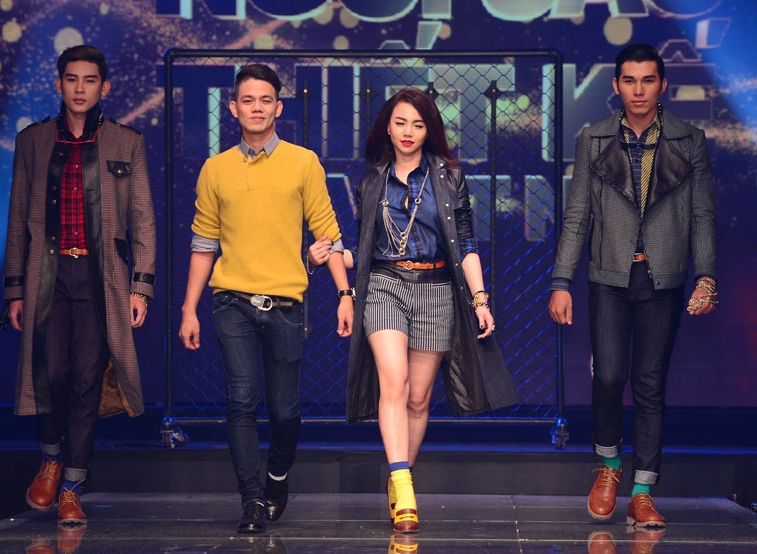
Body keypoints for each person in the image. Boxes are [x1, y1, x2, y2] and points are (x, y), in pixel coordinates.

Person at [310, 88, 518, 533]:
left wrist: (480, 300)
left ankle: (398, 473)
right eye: (401, 122)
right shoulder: (371, 182)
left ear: (429, 131)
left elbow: (466, 244)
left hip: (436, 288)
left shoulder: (449, 177)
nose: (408, 132)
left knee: (419, 398)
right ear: (388, 127)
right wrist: (329, 256)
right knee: (394, 381)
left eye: (418, 125)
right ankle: (404, 486)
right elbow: (366, 249)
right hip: (384, 285)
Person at [177, 63, 353, 534]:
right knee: (240, 400)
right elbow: (203, 244)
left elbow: (328, 232)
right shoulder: (215, 169)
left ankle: (276, 476)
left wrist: (344, 293)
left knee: (284, 411)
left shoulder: (303, 162)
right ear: (233, 108)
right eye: (248, 100)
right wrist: (189, 308)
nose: (257, 108)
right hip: (231, 301)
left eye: (265, 100)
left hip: (286, 306)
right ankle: (251, 500)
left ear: (278, 107)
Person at [549, 42, 717, 528]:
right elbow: (577, 215)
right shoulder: (594, 138)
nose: (638, 90)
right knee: (608, 376)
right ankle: (608, 465)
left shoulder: (689, 140)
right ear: (616, 85)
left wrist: (706, 276)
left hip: (662, 277)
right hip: (609, 275)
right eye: (629, 80)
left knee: (649, 384)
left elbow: (702, 215)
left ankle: (642, 491)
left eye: (647, 80)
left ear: (662, 84)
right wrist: (561, 280)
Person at [3, 45, 156, 526]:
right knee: (49, 374)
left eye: (90, 80)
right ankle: (50, 458)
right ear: (59, 84)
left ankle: (72, 485)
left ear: (103, 87)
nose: (80, 88)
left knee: (88, 379)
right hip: (46, 275)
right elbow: (16, 219)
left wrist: (141, 286)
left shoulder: (125, 142)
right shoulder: (32, 141)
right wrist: (14, 289)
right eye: (72, 79)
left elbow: (143, 220)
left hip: (99, 277)